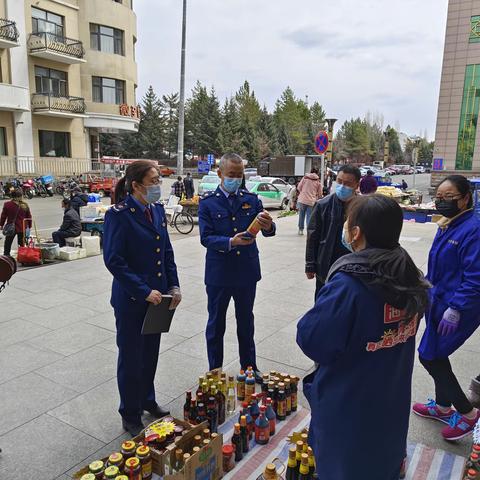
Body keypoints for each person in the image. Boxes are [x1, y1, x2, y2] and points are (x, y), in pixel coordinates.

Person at [297, 195, 429, 480]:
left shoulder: (350, 285)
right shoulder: (410, 277)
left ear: (355, 233)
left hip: (350, 403)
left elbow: (313, 340)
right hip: (391, 394)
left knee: (344, 465)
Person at [103, 160, 181, 436]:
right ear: (136, 185)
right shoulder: (119, 215)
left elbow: (166, 253)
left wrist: (174, 286)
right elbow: (114, 260)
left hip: (159, 299)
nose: (158, 186)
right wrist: (143, 291)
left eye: (159, 180)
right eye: (153, 181)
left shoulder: (157, 210)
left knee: (150, 355)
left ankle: (148, 399)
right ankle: (130, 411)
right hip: (133, 301)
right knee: (131, 357)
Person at [413, 175, 480, 441]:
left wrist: (456, 308)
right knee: (437, 353)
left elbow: (475, 277)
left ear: (465, 198)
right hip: (439, 301)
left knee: (430, 356)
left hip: (459, 307)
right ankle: (442, 407)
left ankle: (468, 415)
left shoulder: (473, 229)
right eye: (438, 197)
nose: (441, 202)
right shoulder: (450, 224)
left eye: (448, 197)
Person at [198, 153, 275, 382]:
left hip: (246, 272)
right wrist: (231, 242)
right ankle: (215, 370)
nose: (236, 179)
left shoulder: (251, 199)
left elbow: (268, 230)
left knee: (246, 322)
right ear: (220, 174)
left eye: (239, 175)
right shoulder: (208, 202)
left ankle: (249, 367)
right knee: (216, 324)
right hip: (219, 274)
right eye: (231, 175)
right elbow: (206, 238)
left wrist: (269, 225)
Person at [305, 164, 361, 299]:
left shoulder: (363, 207)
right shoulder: (322, 205)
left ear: (356, 185)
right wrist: (310, 265)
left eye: (347, 183)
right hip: (326, 264)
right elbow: (312, 236)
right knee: (323, 302)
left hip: (353, 266)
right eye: (339, 181)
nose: (342, 186)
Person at [0, 188, 31, 256]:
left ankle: (6, 256)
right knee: (21, 243)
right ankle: (22, 256)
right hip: (22, 227)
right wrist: (29, 226)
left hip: (11, 228)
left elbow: (3, 216)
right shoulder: (25, 205)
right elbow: (29, 217)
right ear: (18, 197)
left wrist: (1, 225)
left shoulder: (7, 204)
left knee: (8, 243)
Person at [296, 168, 322, 235]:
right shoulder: (318, 181)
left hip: (302, 200)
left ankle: (300, 230)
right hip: (311, 201)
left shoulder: (305, 178)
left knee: (301, 215)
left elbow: (299, 187)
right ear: (317, 173)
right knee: (309, 216)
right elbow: (320, 194)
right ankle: (308, 231)